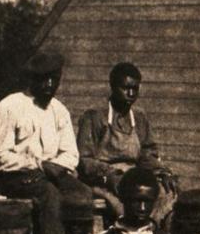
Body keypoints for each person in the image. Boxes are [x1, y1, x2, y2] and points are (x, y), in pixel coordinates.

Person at [0, 50, 87, 234]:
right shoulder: (9, 106)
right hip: (16, 176)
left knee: (82, 193)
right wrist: (39, 164)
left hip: (52, 173)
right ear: (32, 78)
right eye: (44, 79)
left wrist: (57, 166)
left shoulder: (59, 110)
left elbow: (71, 153)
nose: (50, 85)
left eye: (55, 79)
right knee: (50, 195)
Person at [76, 62, 177, 224]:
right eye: (125, 88)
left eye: (135, 89)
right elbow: (84, 160)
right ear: (113, 87)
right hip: (104, 181)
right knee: (129, 207)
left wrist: (161, 171)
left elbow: (147, 154)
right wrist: (110, 175)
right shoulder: (95, 116)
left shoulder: (139, 117)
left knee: (168, 193)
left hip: (134, 177)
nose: (130, 93)